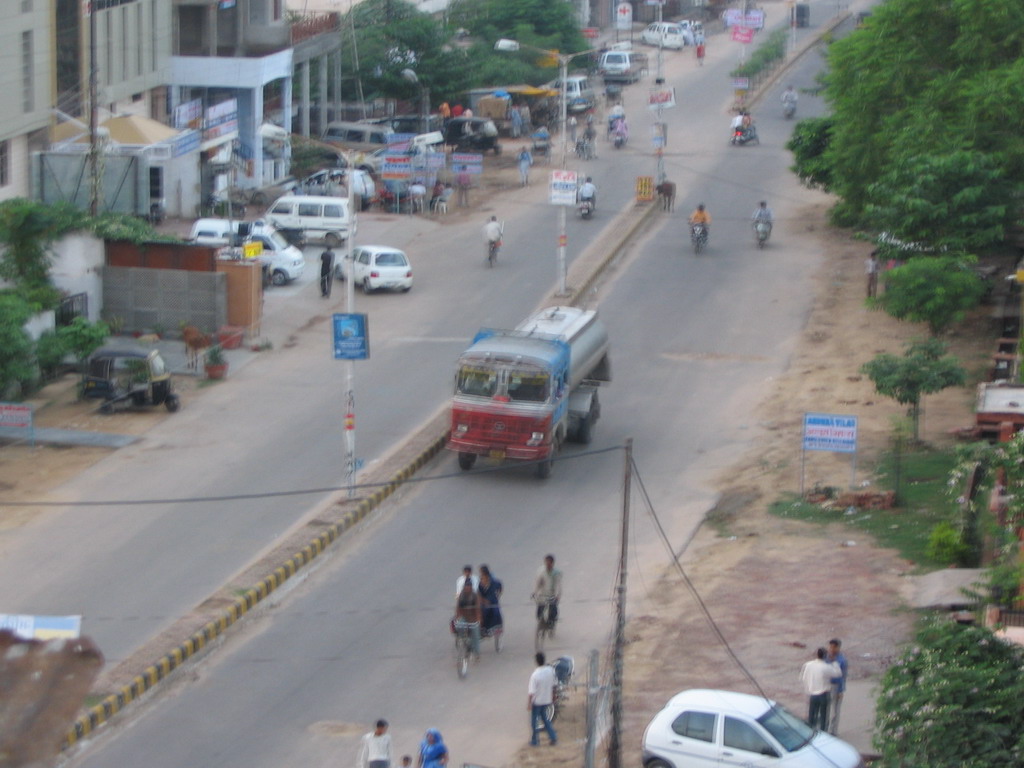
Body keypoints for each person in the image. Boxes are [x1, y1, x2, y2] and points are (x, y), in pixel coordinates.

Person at [800, 647, 841, 731]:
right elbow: (838, 674)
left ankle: (810, 732)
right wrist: (834, 662)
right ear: (825, 656)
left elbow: (803, 678)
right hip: (824, 694)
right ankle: (823, 734)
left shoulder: (808, 665)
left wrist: (809, 688)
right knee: (824, 718)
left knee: (812, 717)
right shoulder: (826, 667)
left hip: (813, 694)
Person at [528, 652, 558, 746]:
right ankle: (553, 737)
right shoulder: (550, 670)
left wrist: (529, 704)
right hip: (546, 700)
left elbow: (531, 692)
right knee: (545, 720)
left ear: (536, 661)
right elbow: (554, 685)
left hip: (537, 702)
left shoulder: (535, 675)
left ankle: (535, 741)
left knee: (534, 722)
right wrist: (553, 696)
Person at [454, 576, 482, 660]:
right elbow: (458, 608)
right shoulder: (461, 596)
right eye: (466, 587)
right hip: (464, 616)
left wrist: (478, 619)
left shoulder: (475, 596)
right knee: (459, 626)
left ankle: (476, 653)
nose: (467, 589)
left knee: (476, 635)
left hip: (473, 618)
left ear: (471, 587)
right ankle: (462, 639)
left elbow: (478, 609)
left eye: (469, 587)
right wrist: (457, 617)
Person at [532, 554, 562, 626]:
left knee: (553, 610)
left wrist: (558, 595)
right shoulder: (541, 572)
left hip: (552, 594)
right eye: (546, 562)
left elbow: (558, 586)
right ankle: (540, 622)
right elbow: (537, 584)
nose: (547, 565)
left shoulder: (556, 573)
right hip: (542, 594)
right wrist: (534, 593)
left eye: (549, 563)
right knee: (539, 611)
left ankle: (552, 623)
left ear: (552, 563)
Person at [827, 638, 848, 735]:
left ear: (838, 648)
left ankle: (833, 730)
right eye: (830, 647)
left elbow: (843, 676)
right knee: (826, 709)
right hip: (826, 685)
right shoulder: (826, 658)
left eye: (833, 647)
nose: (831, 649)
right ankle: (826, 729)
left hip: (836, 686)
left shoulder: (841, 660)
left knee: (835, 710)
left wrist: (841, 690)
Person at [478, 564, 503, 637]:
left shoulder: (494, 583)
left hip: (493, 602)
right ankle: (481, 627)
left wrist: (498, 595)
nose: (482, 580)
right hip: (483, 602)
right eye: (481, 579)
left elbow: (500, 587)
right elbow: (479, 594)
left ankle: (494, 627)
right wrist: (482, 600)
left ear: (487, 577)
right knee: (480, 611)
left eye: (483, 578)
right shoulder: (480, 585)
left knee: (495, 612)